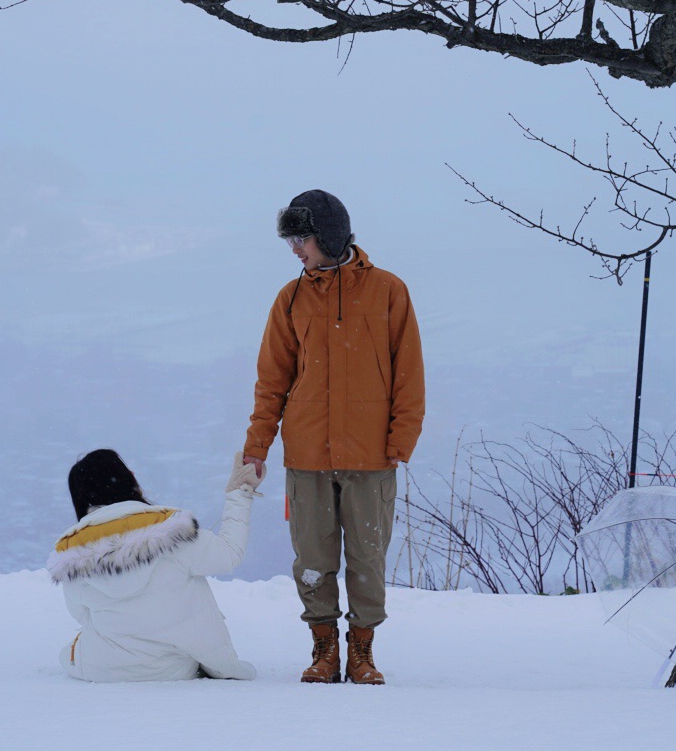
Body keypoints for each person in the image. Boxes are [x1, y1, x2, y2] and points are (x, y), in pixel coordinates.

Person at [243, 189, 425, 684]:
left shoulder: (389, 290)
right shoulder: (291, 298)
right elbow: (272, 381)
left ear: (328, 234)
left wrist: (398, 443)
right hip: (306, 453)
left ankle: (362, 652)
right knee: (314, 560)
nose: (295, 249)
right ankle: (324, 649)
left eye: (301, 238)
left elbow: (408, 373)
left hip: (372, 456)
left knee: (368, 557)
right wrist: (256, 448)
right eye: (291, 240)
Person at [49, 448, 260, 682]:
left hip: (102, 668)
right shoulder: (172, 529)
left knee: (67, 652)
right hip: (174, 668)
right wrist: (239, 492)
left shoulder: (72, 553)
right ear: (129, 477)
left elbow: (80, 614)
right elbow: (228, 554)